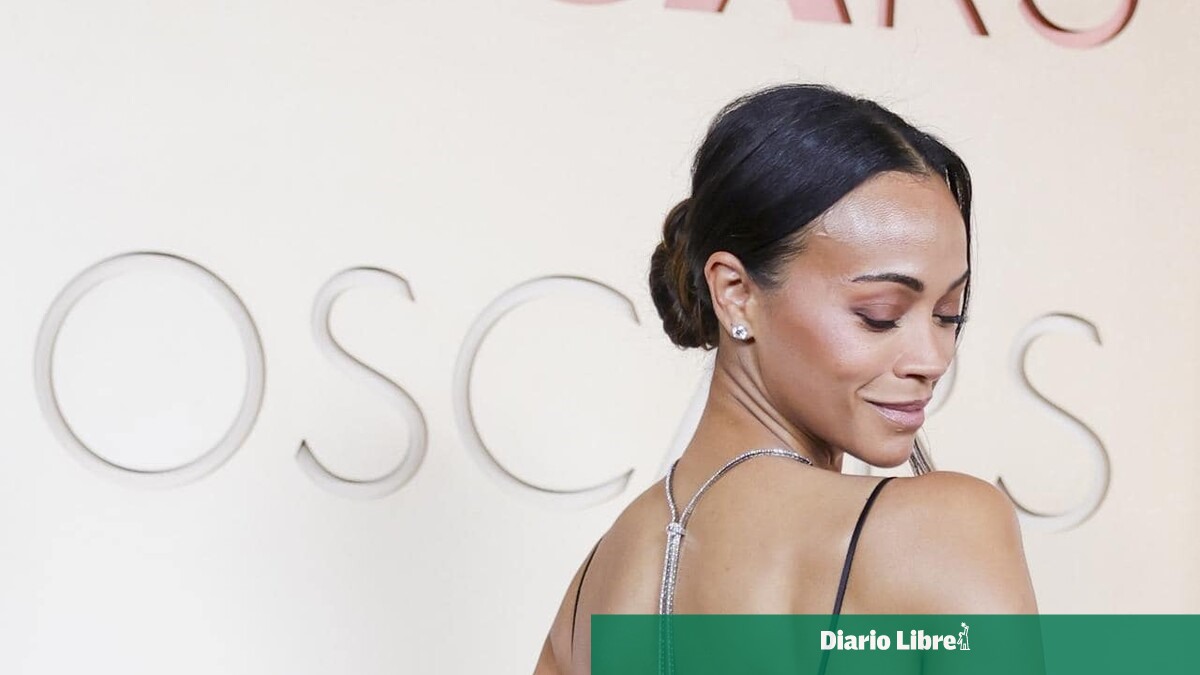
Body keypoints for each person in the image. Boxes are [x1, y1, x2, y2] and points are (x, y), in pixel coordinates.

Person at [533, 83, 1038, 675]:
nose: (932, 357)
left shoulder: (594, 588)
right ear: (735, 292)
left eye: (949, 314)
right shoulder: (943, 527)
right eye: (880, 314)